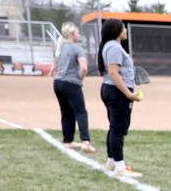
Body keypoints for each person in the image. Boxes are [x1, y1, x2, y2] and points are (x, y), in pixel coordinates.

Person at [97, 18, 142, 178]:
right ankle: (120, 168)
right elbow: (113, 72)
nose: (126, 30)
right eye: (123, 28)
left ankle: (112, 161)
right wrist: (128, 94)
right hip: (117, 92)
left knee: (114, 127)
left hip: (111, 90)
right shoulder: (114, 47)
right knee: (118, 128)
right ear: (116, 31)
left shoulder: (112, 47)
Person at [51, 22, 93, 153]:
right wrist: (79, 78)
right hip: (71, 84)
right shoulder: (77, 49)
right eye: (77, 32)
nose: (78, 34)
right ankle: (85, 142)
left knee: (66, 112)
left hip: (58, 83)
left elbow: (54, 67)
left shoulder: (59, 47)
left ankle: (68, 141)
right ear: (71, 34)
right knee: (80, 112)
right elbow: (84, 68)